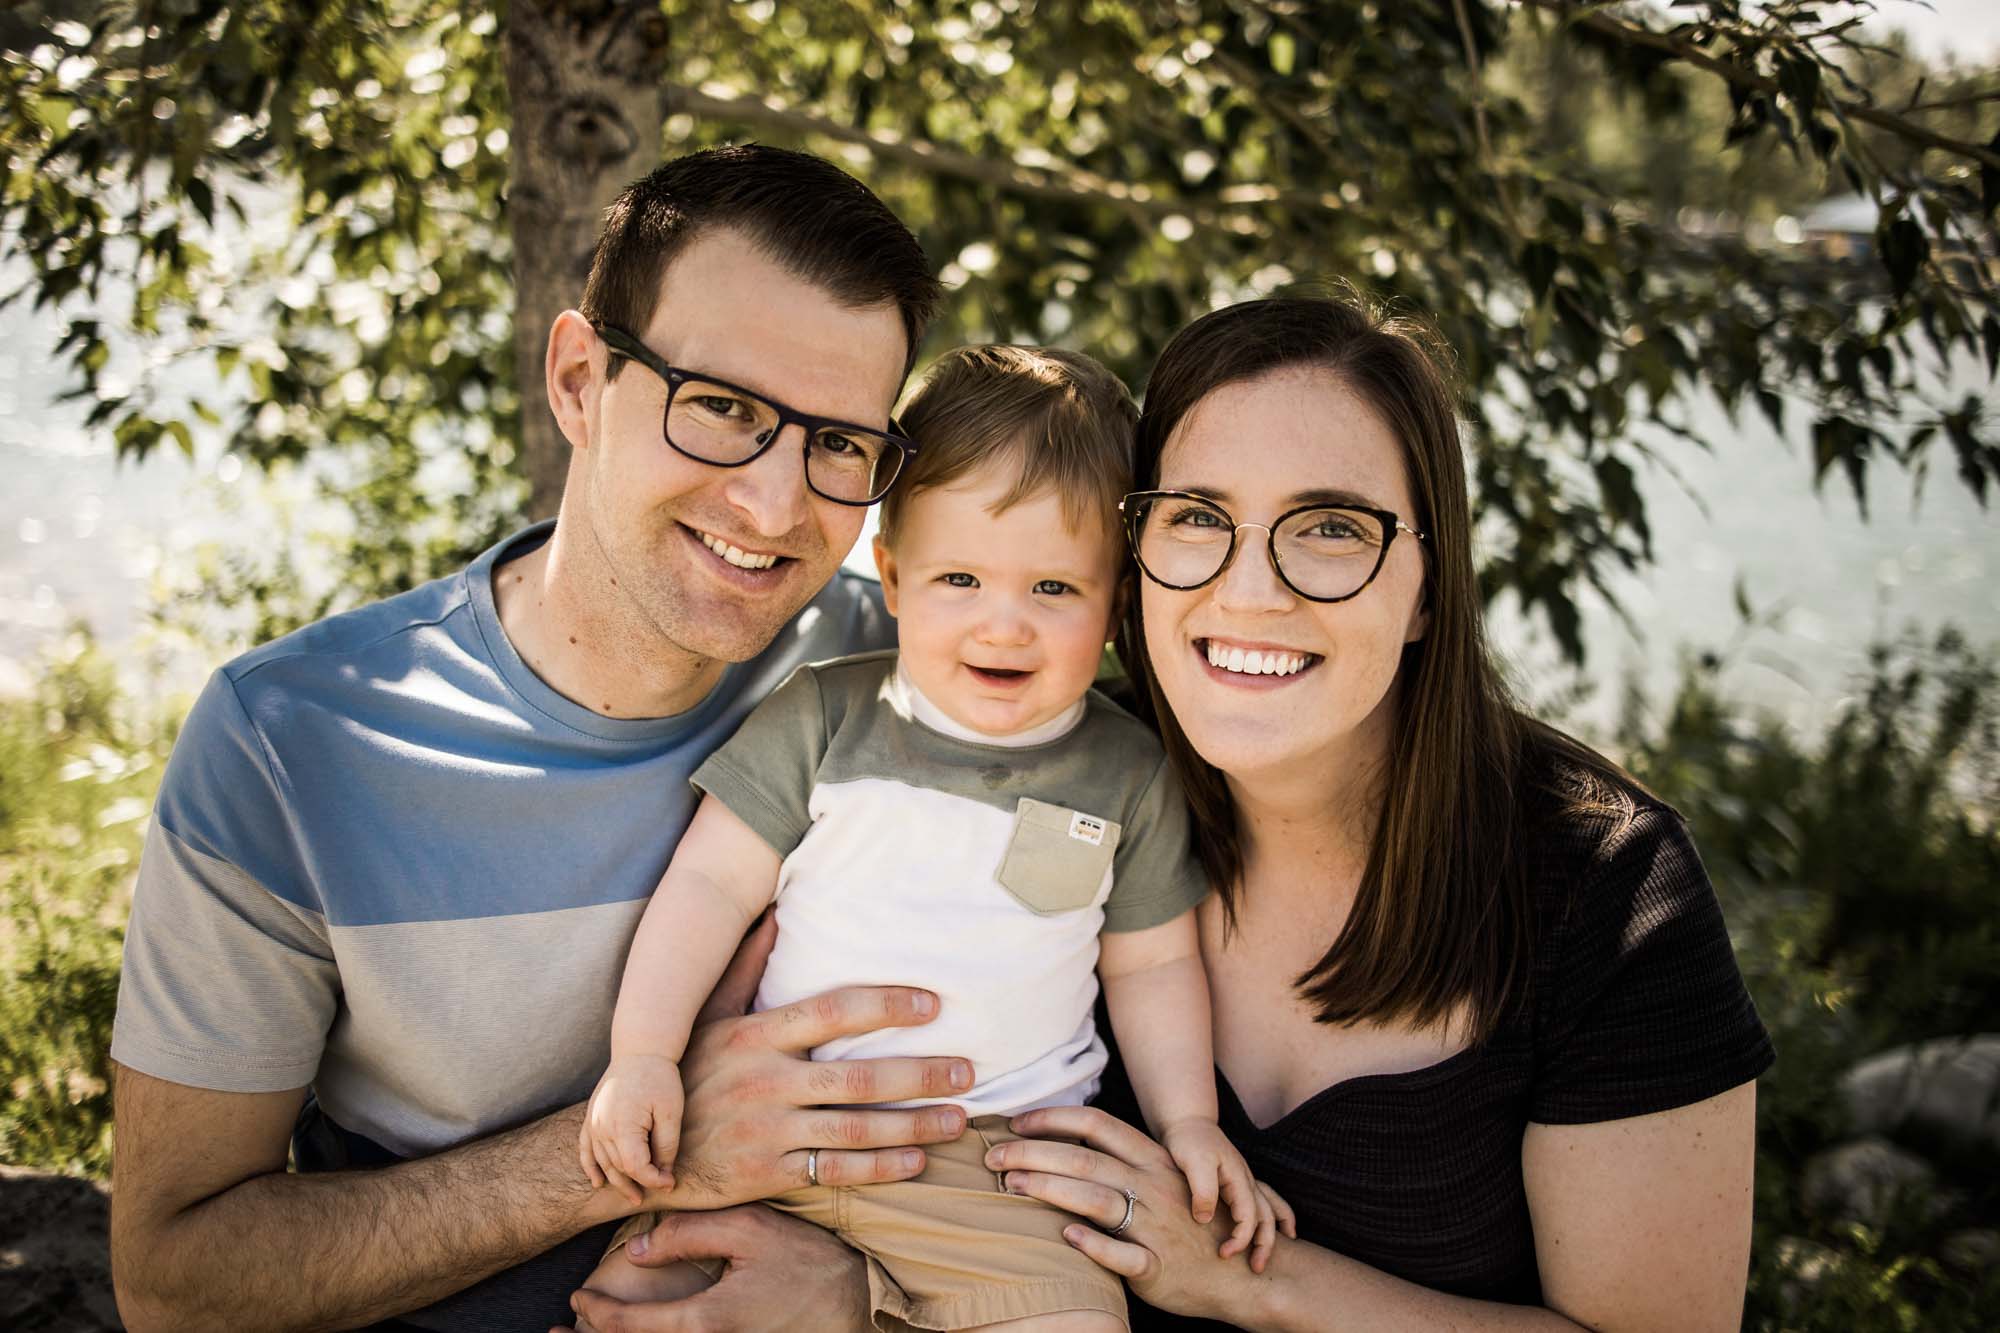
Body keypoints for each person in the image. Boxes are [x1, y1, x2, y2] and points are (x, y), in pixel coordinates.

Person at [106, 144, 987, 1331]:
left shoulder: (912, 680)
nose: (775, 508)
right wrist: (631, 1146)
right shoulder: (290, 742)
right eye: (721, 408)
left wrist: (874, 1293)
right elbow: (176, 1283)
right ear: (578, 379)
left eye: (836, 443)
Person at [988, 295, 1775, 1330]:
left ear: (1426, 588)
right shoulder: (1057, 782)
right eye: (1195, 516)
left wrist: (1243, 1277)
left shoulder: (1607, 891)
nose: (1249, 589)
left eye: (1326, 527)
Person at [575, 345, 1287, 1332]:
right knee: (640, 1310)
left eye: (1052, 589)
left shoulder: (1126, 773)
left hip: (1003, 1175)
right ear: (895, 576)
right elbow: (705, 889)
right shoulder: (824, 717)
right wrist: (645, 1055)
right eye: (960, 578)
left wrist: (1189, 1124)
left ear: (1117, 604)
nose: (1005, 625)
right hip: (771, 1134)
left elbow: (1153, 967)